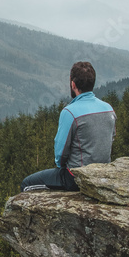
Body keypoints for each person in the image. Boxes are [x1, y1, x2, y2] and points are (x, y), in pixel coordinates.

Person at [21, 60, 116, 191]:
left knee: (26, 184)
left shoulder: (70, 112)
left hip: (76, 178)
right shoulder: (108, 109)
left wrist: (62, 167)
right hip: (103, 174)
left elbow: (60, 153)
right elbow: (111, 139)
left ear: (73, 84)